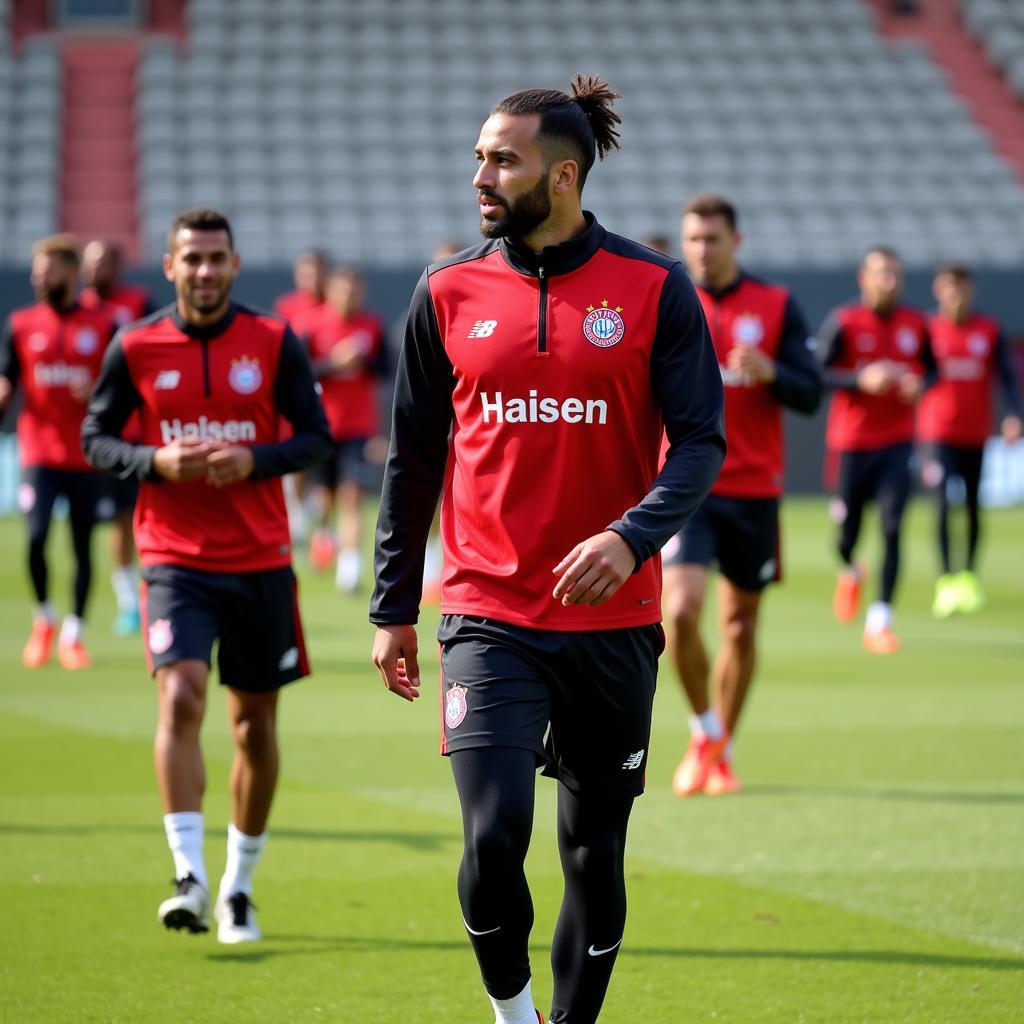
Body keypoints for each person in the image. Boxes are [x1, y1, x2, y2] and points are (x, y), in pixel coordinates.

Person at [370, 76, 725, 1024]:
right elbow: (412, 462)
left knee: (591, 854)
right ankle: (514, 1015)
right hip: (487, 611)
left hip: (613, 620)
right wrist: (393, 609)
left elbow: (701, 444)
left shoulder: (654, 288)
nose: (480, 173)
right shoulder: (445, 291)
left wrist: (630, 535)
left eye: (503, 158)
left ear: (562, 176)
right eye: (481, 154)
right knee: (493, 838)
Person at [82, 208, 331, 944]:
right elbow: (96, 438)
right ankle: (187, 873)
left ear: (233, 263)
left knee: (254, 727)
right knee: (182, 695)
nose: (205, 271)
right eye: (191, 259)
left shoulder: (274, 340)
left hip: (259, 560)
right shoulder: (135, 345)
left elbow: (317, 437)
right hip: (173, 557)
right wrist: (151, 461)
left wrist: (257, 458)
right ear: (170, 267)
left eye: (217, 258)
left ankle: (237, 887)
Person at [665, 194, 822, 798]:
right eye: (694, 239)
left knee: (740, 626)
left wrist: (772, 371)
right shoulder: (668, 298)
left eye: (713, 238)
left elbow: (811, 393)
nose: (702, 250)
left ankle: (722, 750)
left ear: (737, 242)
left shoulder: (776, 304)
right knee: (679, 614)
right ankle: (704, 731)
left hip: (755, 488)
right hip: (686, 487)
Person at [0, 234, 115, 670]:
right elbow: (8, 375)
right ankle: (44, 618)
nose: (38, 278)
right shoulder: (22, 323)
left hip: (86, 454)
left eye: (47, 271)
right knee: (34, 537)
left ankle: (75, 633)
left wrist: (98, 391)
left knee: (82, 546)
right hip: (39, 453)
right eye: (36, 271)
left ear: (70, 273)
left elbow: (121, 387)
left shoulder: (104, 325)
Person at [818, 246, 934, 654]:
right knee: (846, 536)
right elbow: (818, 375)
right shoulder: (845, 321)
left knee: (892, 527)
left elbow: (931, 368)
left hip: (898, 442)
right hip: (852, 444)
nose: (889, 281)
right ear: (863, 278)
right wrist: (859, 380)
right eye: (881, 273)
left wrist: (921, 383)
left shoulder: (916, 322)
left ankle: (880, 620)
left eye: (895, 274)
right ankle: (851, 569)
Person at [918, 263, 1021, 616]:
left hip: (976, 434)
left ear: (970, 290)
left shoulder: (988, 330)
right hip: (938, 433)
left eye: (960, 287)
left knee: (975, 507)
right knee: (945, 504)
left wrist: (1013, 414)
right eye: (949, 288)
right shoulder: (927, 329)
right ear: (938, 290)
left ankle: (970, 577)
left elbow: (1007, 378)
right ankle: (947, 580)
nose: (955, 295)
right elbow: (921, 373)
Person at [80, 239, 157, 635]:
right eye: (91, 264)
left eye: (104, 263)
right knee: (113, 523)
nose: (96, 271)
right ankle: (127, 598)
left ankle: (148, 593)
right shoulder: (77, 311)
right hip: (97, 440)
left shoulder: (140, 304)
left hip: (139, 439)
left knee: (135, 516)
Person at [298, 266, 387, 591]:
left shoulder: (371, 327)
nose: (349, 297)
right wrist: (333, 363)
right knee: (323, 498)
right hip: (322, 426)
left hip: (358, 427)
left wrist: (361, 362)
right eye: (343, 290)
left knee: (352, 495)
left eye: (354, 291)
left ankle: (349, 571)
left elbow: (385, 369)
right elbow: (299, 372)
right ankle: (322, 536)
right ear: (331, 291)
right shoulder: (311, 325)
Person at [274, 249, 328, 328]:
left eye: (315, 275)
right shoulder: (286, 305)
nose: (312, 281)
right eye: (304, 275)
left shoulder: (334, 304)